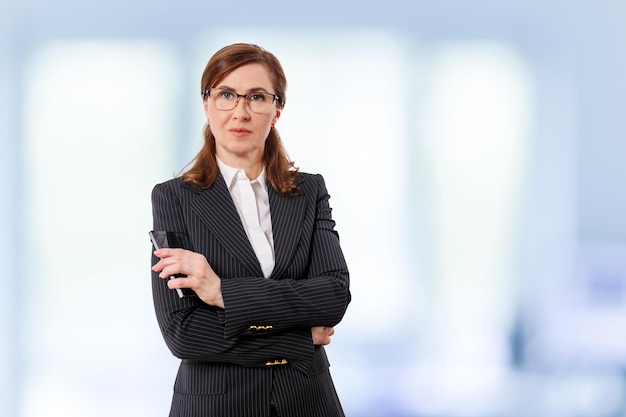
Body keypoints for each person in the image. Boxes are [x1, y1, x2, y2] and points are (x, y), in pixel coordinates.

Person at [150, 43, 351, 417]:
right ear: (207, 104)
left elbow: (333, 297)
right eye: (227, 94)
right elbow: (184, 332)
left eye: (256, 97)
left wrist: (223, 291)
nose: (240, 112)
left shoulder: (309, 192)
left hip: (307, 402)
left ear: (276, 110)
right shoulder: (173, 199)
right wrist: (300, 339)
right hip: (216, 406)